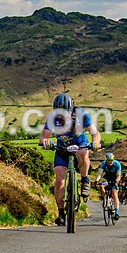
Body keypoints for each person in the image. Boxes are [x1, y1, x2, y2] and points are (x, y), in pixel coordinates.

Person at [40, 93, 102, 226]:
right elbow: (44, 136)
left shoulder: (82, 114)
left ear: (71, 108)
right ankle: (61, 213)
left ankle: (85, 179)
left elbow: (95, 133)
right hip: (62, 150)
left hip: (80, 147)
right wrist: (46, 142)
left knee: (84, 153)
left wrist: (95, 143)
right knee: (59, 181)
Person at [95, 152, 123, 220]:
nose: (109, 162)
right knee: (101, 186)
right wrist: (97, 180)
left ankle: (116, 212)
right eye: (108, 161)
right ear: (106, 160)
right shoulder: (103, 164)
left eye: (111, 161)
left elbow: (119, 175)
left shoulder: (117, 164)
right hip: (107, 176)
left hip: (114, 177)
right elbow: (100, 173)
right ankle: (105, 198)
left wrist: (116, 181)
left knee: (114, 193)